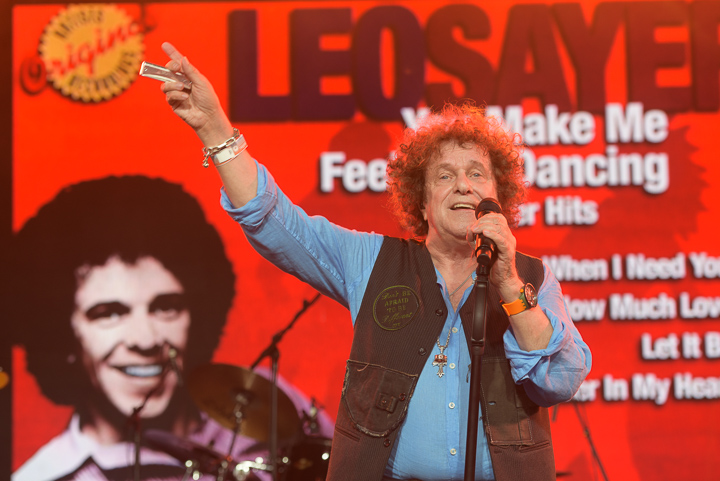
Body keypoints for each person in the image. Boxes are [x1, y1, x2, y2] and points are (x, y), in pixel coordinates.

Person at [158, 41, 591, 481]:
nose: (464, 185)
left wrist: (508, 283)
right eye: (445, 175)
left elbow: (559, 381)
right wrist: (214, 129)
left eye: (477, 174)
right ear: (422, 203)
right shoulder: (370, 260)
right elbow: (274, 221)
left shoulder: (532, 277)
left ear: (498, 195)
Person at [11, 175, 333, 481]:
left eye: (166, 307)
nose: (145, 340)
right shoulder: (46, 476)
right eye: (109, 314)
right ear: (64, 334)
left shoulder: (260, 398)